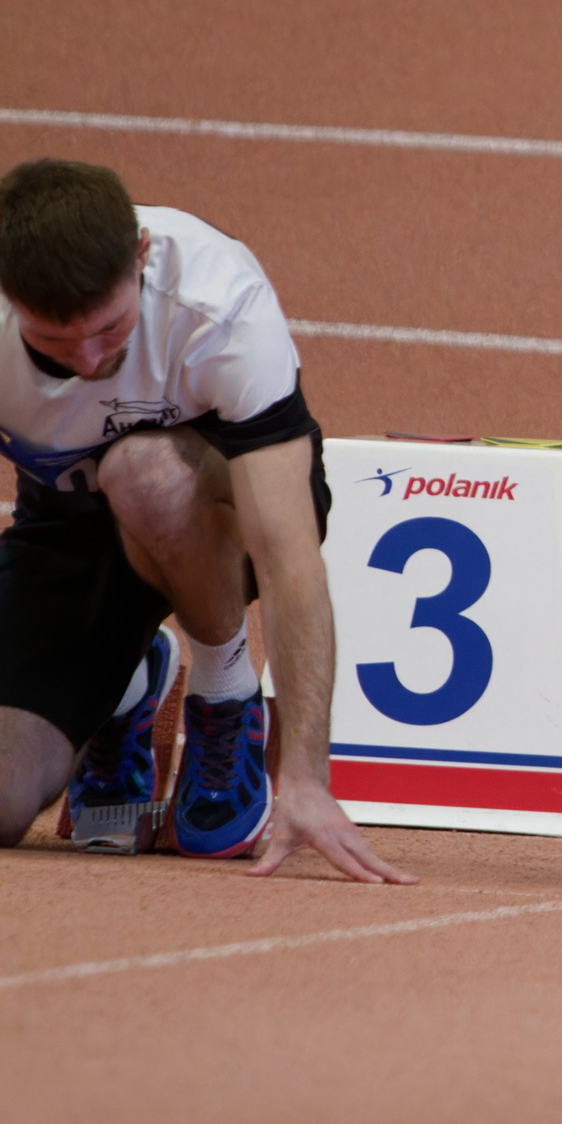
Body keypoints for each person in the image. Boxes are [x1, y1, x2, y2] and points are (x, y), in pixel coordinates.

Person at [0, 158, 411, 883]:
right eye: (55, 344)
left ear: (143, 256)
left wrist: (308, 778)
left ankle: (223, 691)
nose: (92, 359)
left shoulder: (219, 303)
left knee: (144, 470)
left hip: (218, 503)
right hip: (70, 528)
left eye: (110, 327)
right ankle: (122, 680)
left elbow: (288, 554)